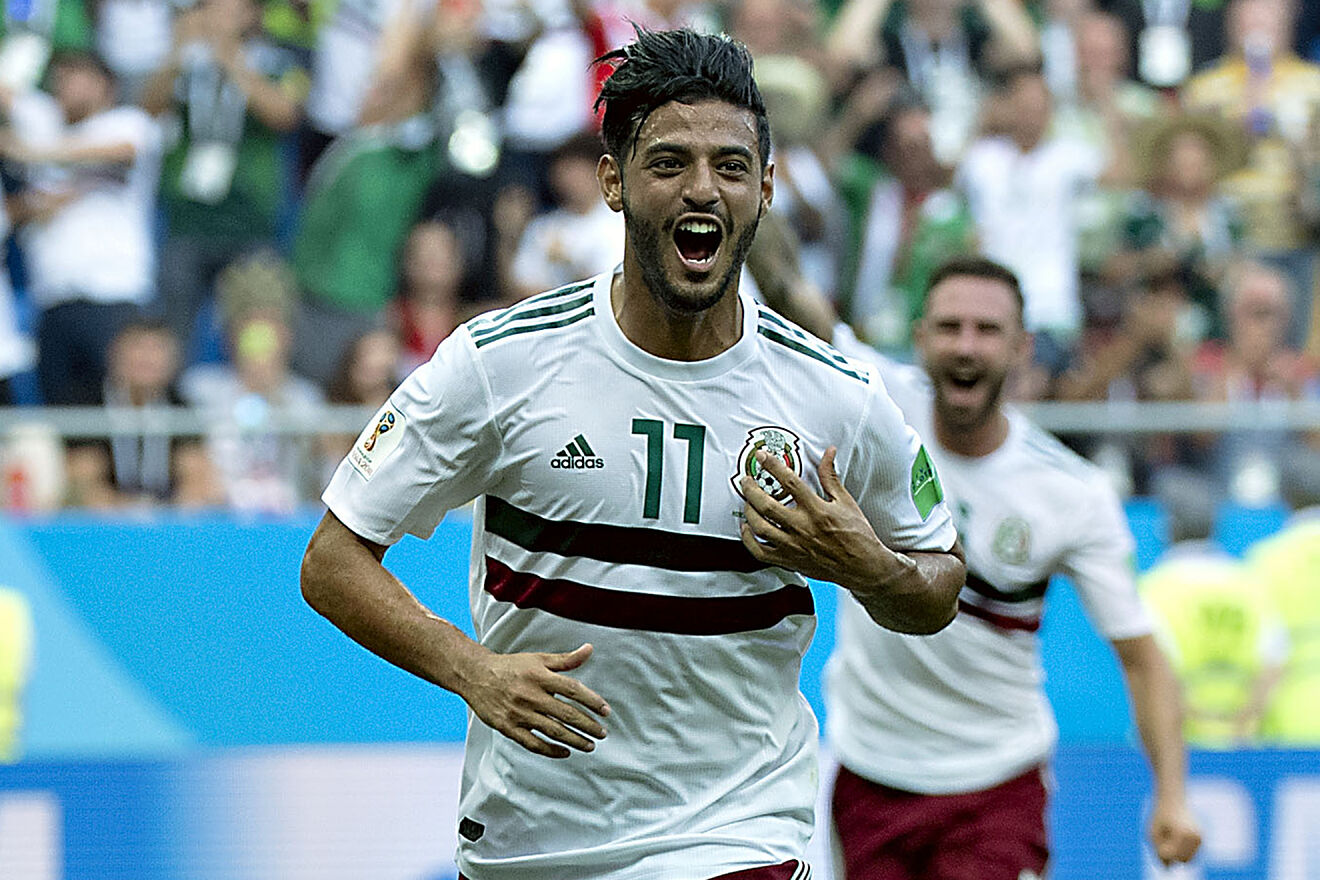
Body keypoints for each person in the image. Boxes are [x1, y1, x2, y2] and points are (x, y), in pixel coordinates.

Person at [301, 28, 965, 880]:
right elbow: (331, 561)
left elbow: (940, 581)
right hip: (532, 847)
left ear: (766, 187)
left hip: (737, 839)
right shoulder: (500, 364)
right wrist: (474, 671)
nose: (703, 188)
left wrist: (870, 567)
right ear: (613, 181)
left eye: (731, 166)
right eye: (669, 163)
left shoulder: (836, 394)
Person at [747, 248, 1201, 878]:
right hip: (869, 777)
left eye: (987, 330)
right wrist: (754, 197)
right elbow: (789, 289)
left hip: (996, 787)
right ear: (919, 338)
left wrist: (1172, 795)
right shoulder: (876, 408)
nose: (966, 346)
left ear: (1022, 348)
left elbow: (1142, 656)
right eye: (949, 327)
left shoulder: (1071, 492)